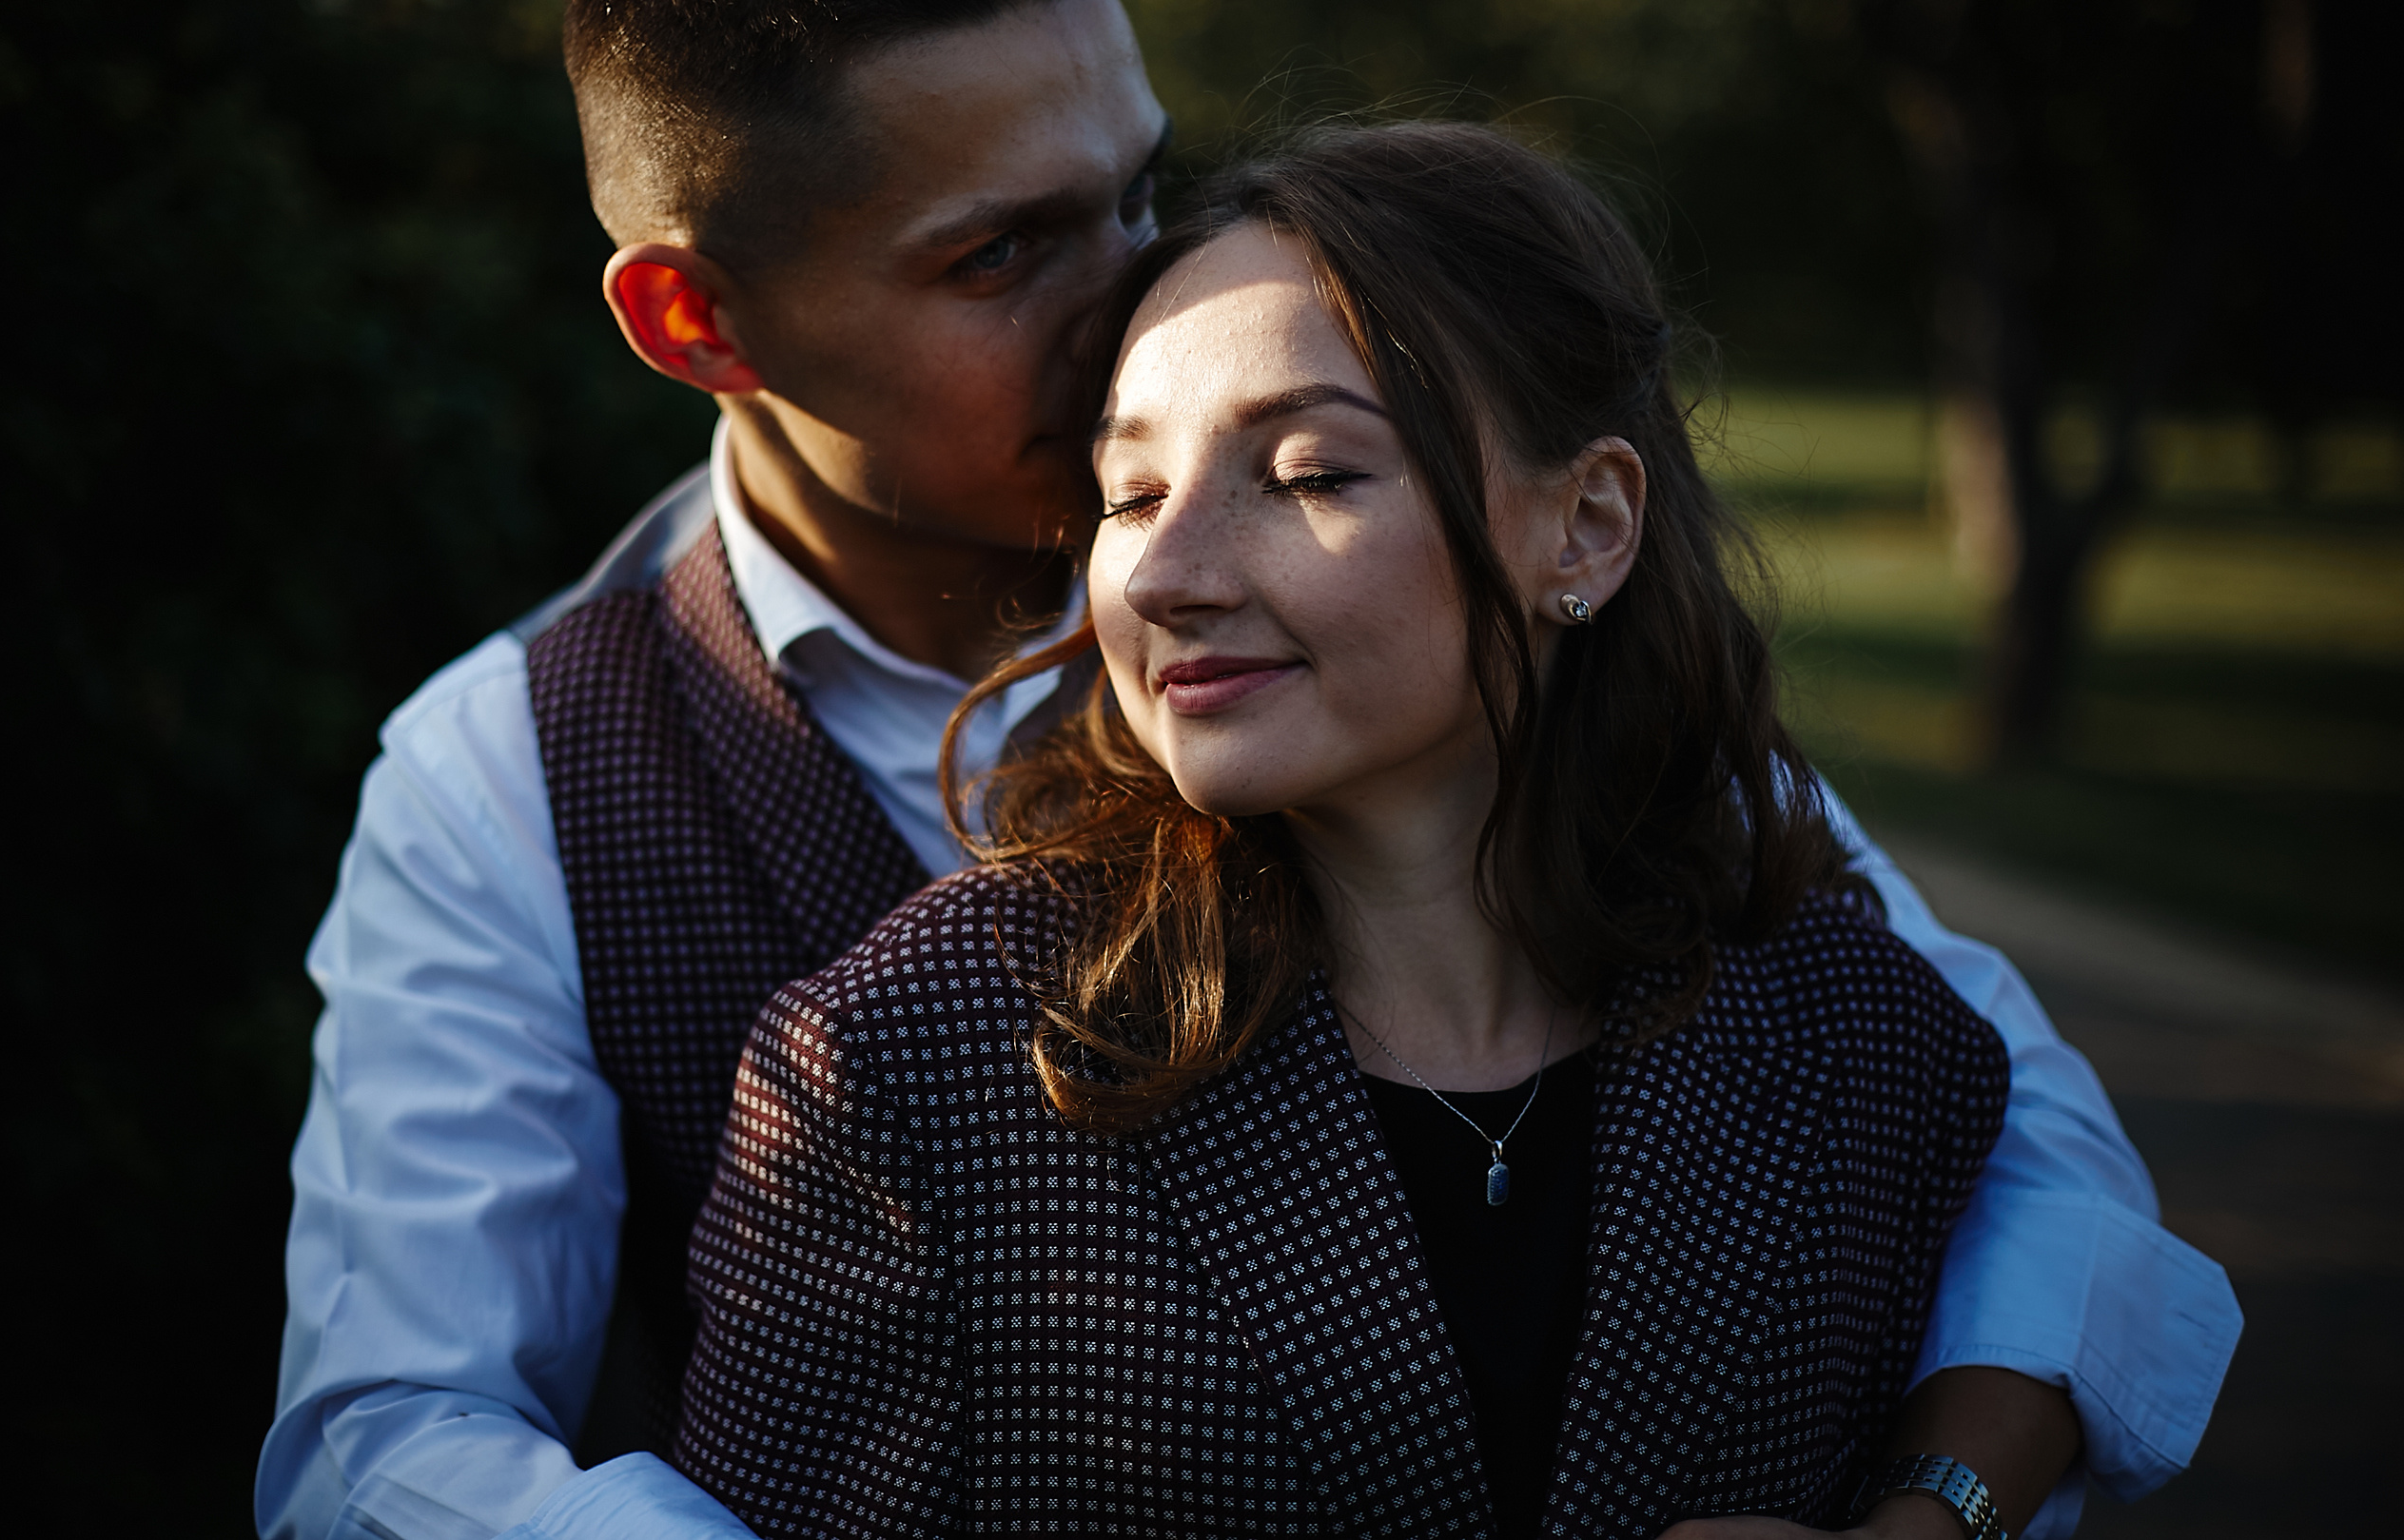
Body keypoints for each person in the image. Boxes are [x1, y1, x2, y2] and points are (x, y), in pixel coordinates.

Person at [258, 0, 2237, 1540]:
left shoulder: (1491, 663)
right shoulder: (513, 766)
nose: (1141, 293)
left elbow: (2006, 1136)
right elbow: (395, 1436)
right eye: (999, 251)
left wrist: (1928, 1511)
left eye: (1135, 188)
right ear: (700, 323)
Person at [670, 123, 2158, 1539]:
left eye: (1310, 473)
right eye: (1130, 494)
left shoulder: (1865, 1045)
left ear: (1582, 531)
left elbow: (2082, 1240)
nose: (1168, 571)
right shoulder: (900, 1067)